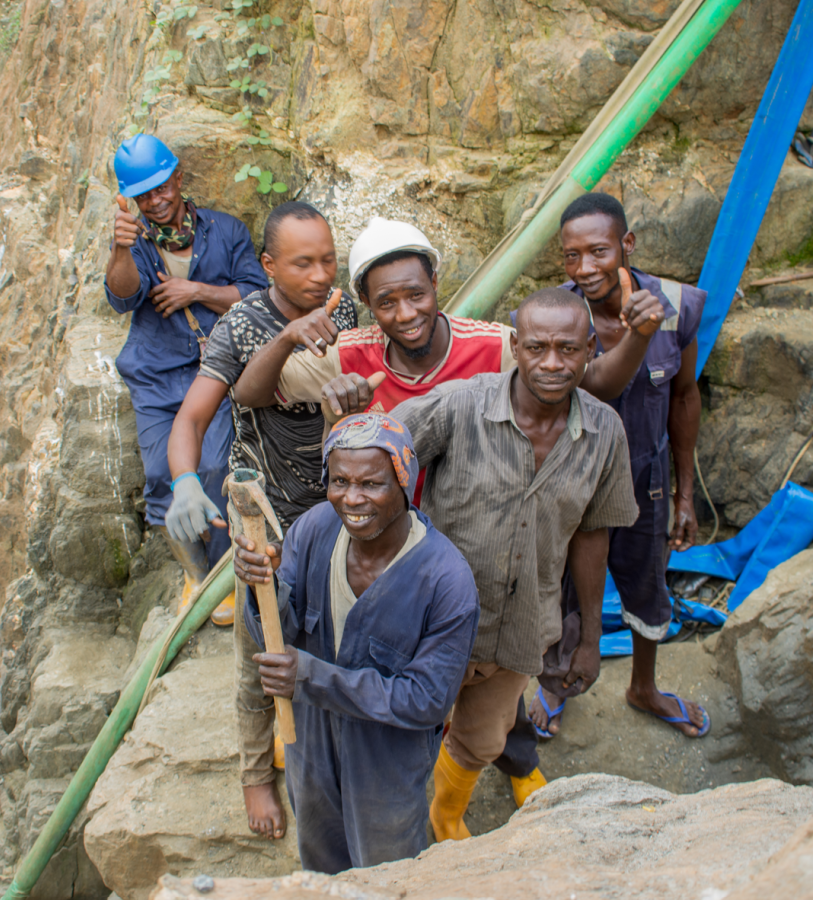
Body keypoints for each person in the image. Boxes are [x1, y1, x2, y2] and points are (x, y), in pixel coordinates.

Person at [233, 215, 662, 807]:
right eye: (387, 301)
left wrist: (587, 633)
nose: (406, 312)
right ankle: (335, 777)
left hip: (515, 577)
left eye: (417, 294)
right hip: (411, 555)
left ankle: (456, 797)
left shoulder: (498, 351)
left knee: (489, 719)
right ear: (366, 305)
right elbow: (318, 439)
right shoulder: (362, 361)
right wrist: (341, 414)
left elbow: (591, 519)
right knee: (400, 697)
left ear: (437, 284)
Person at [387, 287, 640, 842]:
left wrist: (590, 636)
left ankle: (445, 817)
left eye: (569, 350)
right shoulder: (457, 406)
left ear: (591, 348)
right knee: (402, 729)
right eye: (538, 347)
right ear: (515, 346)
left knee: (481, 740)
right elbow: (376, 461)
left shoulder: (604, 434)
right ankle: (391, 826)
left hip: (519, 625)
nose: (553, 364)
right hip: (429, 624)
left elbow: (593, 535)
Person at [166, 201, 357, 841]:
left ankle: (324, 742)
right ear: (270, 265)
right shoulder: (243, 325)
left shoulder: (347, 309)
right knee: (261, 641)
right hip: (267, 506)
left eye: (328, 258)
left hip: (340, 500)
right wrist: (186, 483)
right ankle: (255, 771)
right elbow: (197, 416)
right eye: (303, 262)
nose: (320, 273)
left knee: (334, 626)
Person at [233, 413, 479, 873]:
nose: (352, 499)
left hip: (386, 758)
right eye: (340, 481)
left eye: (372, 484)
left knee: (385, 868)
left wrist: (310, 675)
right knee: (321, 853)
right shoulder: (313, 530)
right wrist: (258, 587)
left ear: (405, 483)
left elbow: (425, 700)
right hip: (309, 739)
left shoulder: (446, 581)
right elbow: (277, 631)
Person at [523, 192, 709, 740]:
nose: (585, 268)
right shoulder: (557, 314)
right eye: (571, 256)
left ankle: (643, 688)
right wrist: (634, 337)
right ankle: (558, 683)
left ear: (626, 244)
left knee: (647, 585)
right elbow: (593, 386)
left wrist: (683, 495)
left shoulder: (676, 305)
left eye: (598, 251)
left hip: (643, 482)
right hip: (567, 485)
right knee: (559, 587)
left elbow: (684, 398)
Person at [105, 133, 268, 618]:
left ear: (178, 178)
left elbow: (256, 295)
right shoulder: (135, 242)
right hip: (156, 375)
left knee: (214, 469)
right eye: (144, 195)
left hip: (215, 370)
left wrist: (194, 290)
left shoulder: (225, 230)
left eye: (162, 188)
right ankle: (195, 576)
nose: (156, 201)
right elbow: (122, 297)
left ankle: (224, 577)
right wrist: (119, 250)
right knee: (163, 476)